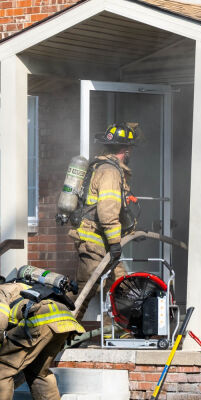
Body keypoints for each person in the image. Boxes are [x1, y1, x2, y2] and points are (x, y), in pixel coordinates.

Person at [0, 273, 84, 400]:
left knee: (1, 369)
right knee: (38, 370)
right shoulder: (19, 287)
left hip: (40, 320)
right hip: (63, 320)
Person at [69, 122, 140, 319]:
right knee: (83, 293)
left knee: (121, 285)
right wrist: (116, 243)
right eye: (130, 148)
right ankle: (59, 333)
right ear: (125, 149)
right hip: (95, 241)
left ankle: (120, 327)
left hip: (102, 241)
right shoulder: (110, 172)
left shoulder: (102, 166)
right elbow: (107, 212)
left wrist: (128, 232)